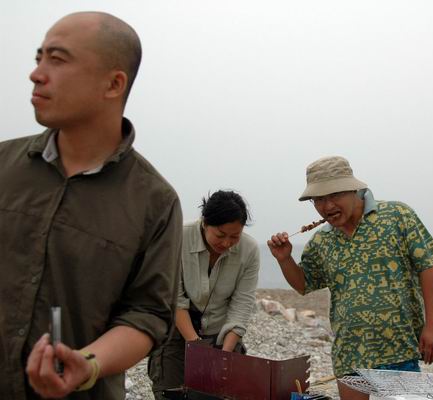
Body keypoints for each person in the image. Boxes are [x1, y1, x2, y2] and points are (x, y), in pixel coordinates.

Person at [0, 12, 183, 400]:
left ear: (113, 84)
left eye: (57, 59)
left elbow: (148, 313)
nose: (36, 74)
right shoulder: (3, 165)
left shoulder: (155, 202)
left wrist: (87, 364)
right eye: (39, 58)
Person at [267, 156, 433, 400]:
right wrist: (284, 259)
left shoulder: (397, 216)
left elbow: (427, 268)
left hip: (399, 348)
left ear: (354, 190)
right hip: (349, 353)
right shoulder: (321, 241)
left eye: (334, 195)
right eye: (319, 199)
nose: (327, 206)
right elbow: (303, 284)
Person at [149, 190, 260, 399]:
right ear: (204, 223)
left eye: (234, 236)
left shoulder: (250, 250)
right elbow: (174, 298)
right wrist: (196, 346)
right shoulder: (177, 237)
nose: (226, 243)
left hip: (222, 332)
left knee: (223, 393)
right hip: (177, 330)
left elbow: (242, 305)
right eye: (220, 235)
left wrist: (224, 355)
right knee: (172, 393)